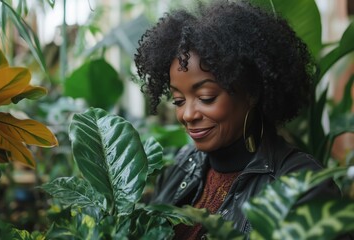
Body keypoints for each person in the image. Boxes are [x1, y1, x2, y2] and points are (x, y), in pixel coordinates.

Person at [134, 0, 339, 239]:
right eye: (178, 101)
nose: (188, 114)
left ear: (251, 92)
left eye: (206, 97)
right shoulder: (183, 165)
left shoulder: (301, 185)